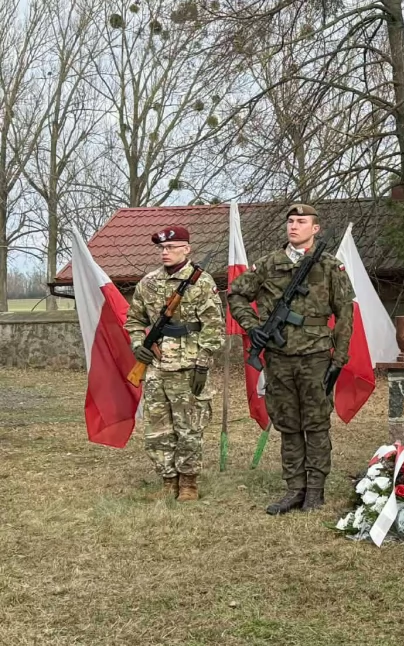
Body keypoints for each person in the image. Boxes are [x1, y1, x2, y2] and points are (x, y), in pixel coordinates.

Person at [228, 204, 354, 515]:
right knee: (288, 423)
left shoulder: (329, 266)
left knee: (316, 423)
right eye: (290, 221)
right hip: (278, 356)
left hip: (315, 355)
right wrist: (253, 327)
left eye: (301, 221)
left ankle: (315, 490)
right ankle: (294, 488)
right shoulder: (269, 264)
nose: (293, 226)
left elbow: (345, 314)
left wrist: (339, 358)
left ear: (315, 228)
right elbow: (236, 294)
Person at [125, 226, 224, 502]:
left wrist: (203, 363)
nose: (165, 252)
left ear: (186, 249)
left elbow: (214, 326)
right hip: (156, 367)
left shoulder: (201, 282)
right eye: (162, 248)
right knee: (157, 428)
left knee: (189, 427)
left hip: (188, 366)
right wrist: (138, 345)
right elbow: (134, 320)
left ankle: (188, 482)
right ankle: (168, 480)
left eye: (171, 247)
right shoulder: (148, 282)